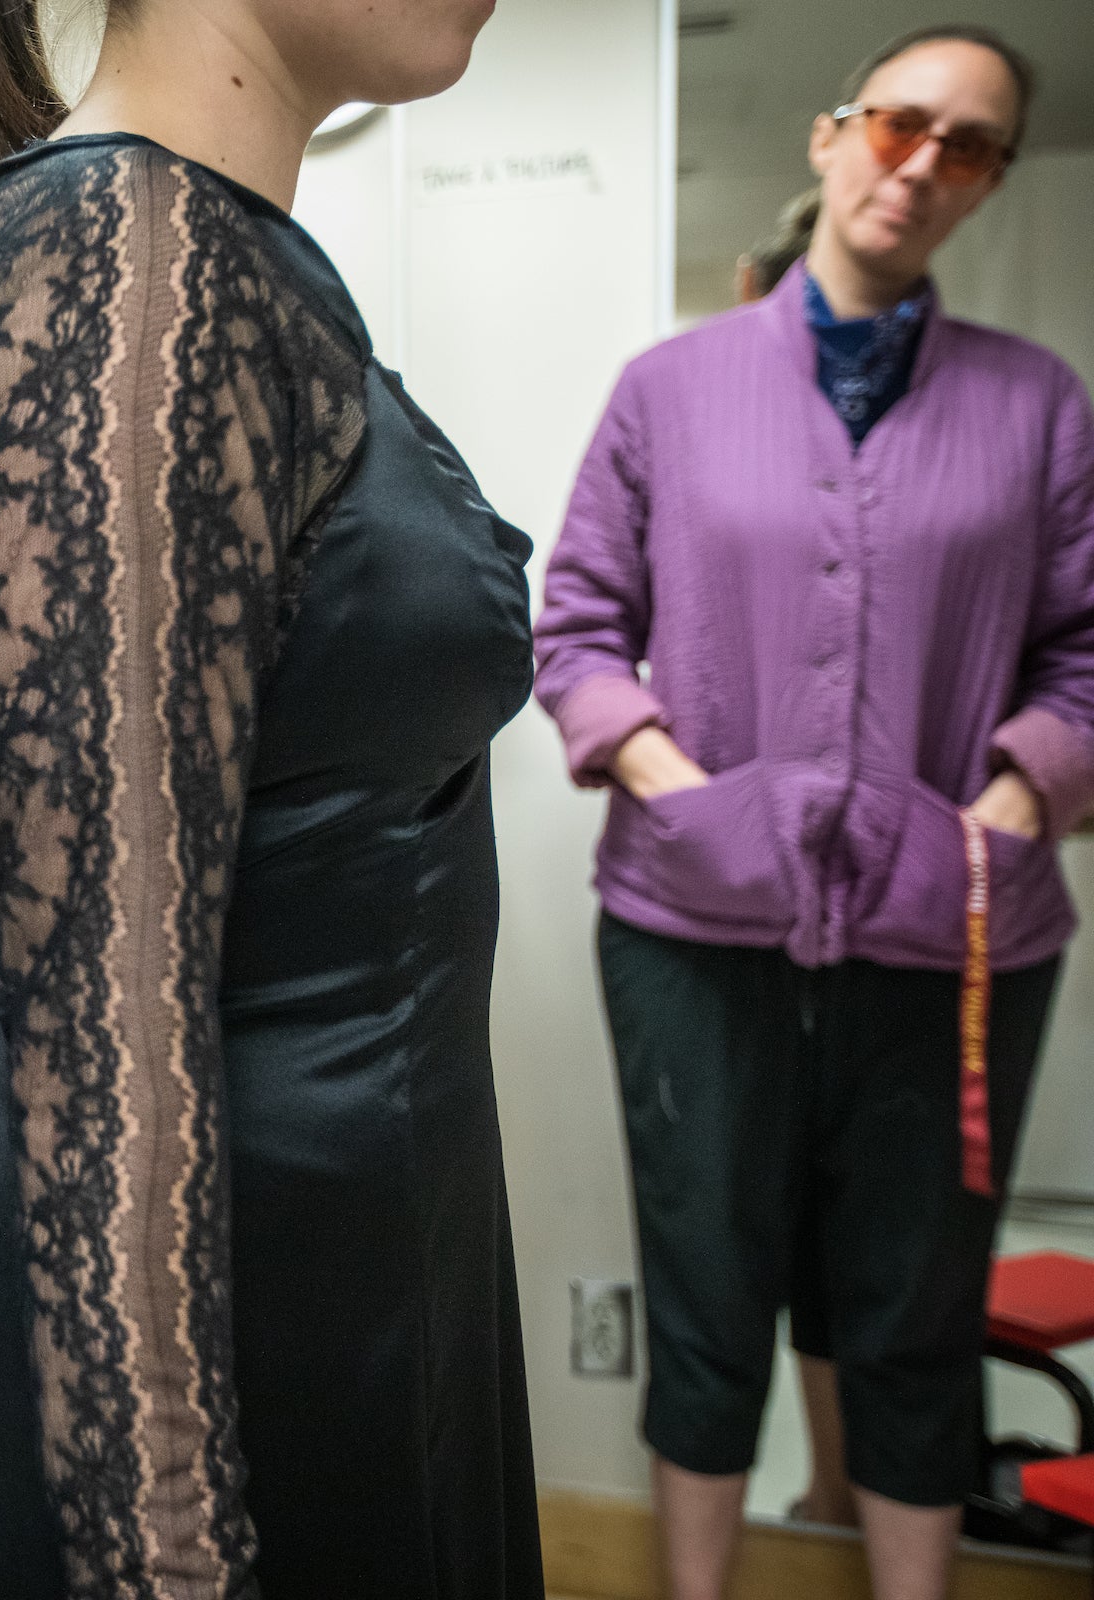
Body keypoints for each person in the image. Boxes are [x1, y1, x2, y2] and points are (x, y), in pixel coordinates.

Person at [0, 0, 543, 1594]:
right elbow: (103, 1042)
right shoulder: (99, 255)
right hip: (154, 1364)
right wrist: (169, 1550)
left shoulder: (224, 266)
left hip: (349, 1286)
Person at [534, 25, 1094, 1600]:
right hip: (690, 933)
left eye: (969, 144)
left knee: (916, 1313)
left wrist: (998, 803)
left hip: (958, 936)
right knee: (707, 1293)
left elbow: (1088, 657)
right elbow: (575, 626)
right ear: (832, 134)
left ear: (985, 183)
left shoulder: (1037, 406)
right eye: (903, 123)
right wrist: (680, 792)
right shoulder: (670, 389)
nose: (923, 162)